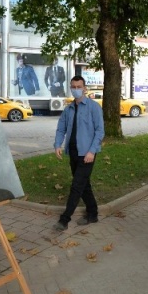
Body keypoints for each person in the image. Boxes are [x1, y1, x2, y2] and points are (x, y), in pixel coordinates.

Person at [53, 75, 105, 231]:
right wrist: (58, 144)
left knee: (76, 186)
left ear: (85, 88)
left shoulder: (94, 107)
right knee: (84, 185)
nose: (76, 90)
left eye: (79, 87)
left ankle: (64, 219)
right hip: (73, 153)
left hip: (87, 154)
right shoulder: (68, 109)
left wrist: (92, 151)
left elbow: (100, 131)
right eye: (73, 87)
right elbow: (61, 129)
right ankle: (93, 213)